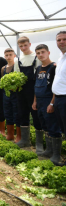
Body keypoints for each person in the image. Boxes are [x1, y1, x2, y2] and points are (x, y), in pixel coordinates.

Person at [32, 44, 61, 163]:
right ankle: (48, 150)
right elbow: (35, 86)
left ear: (48, 52)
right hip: (39, 101)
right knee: (44, 125)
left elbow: (56, 87)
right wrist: (34, 101)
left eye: (42, 52)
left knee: (53, 126)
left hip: (49, 100)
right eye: (38, 53)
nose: (40, 55)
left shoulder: (54, 67)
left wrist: (52, 103)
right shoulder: (38, 69)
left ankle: (56, 155)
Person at [14, 36, 42, 148]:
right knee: (22, 114)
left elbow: (40, 75)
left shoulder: (37, 57)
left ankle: (39, 143)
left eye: (25, 45)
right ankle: (25, 140)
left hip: (34, 91)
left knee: (36, 116)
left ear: (30, 44)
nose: (23, 47)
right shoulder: (18, 60)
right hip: (21, 92)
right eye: (21, 46)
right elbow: (16, 76)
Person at [51, 31, 66, 165]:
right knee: (63, 129)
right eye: (59, 40)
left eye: (64, 39)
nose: (61, 42)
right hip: (59, 99)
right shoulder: (61, 57)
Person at [1, 48, 18, 141]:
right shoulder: (3, 68)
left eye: (10, 55)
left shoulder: (17, 66)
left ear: (14, 55)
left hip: (16, 94)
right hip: (6, 94)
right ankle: (10, 134)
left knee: (17, 113)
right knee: (7, 113)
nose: (8, 57)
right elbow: (2, 81)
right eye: (6, 55)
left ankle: (18, 136)